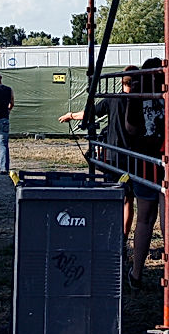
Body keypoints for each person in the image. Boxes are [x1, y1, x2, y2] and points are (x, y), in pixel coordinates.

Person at [125, 58, 169, 295]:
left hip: (147, 164)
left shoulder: (137, 99)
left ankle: (137, 272)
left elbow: (131, 128)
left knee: (145, 219)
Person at [58, 66, 137, 239]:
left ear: (121, 81)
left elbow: (90, 113)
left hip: (113, 155)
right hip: (133, 157)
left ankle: (108, 232)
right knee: (128, 199)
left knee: (111, 195)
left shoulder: (112, 99)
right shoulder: (140, 100)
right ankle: (123, 236)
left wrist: (71, 115)